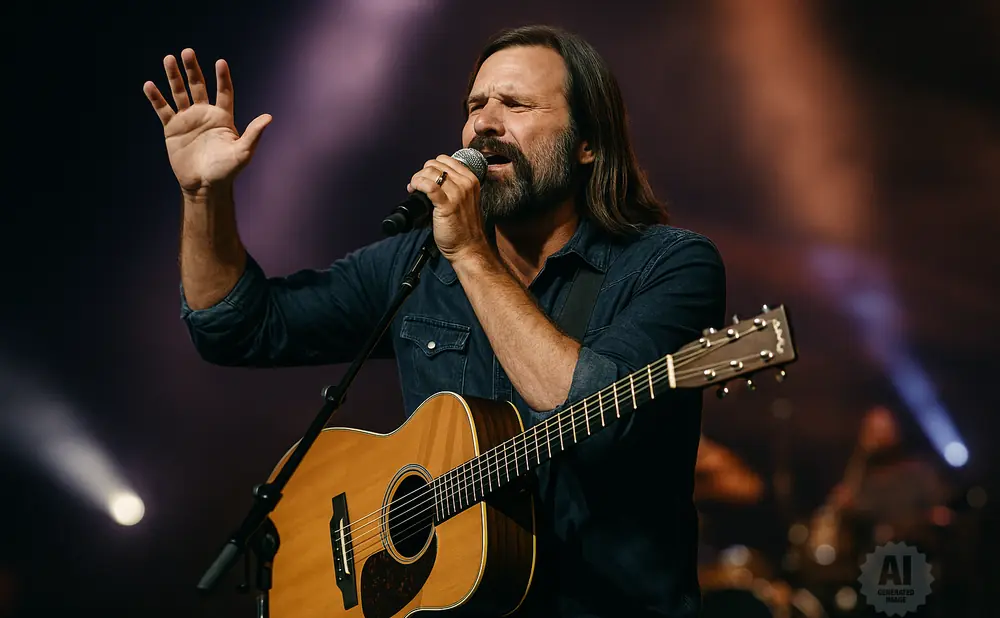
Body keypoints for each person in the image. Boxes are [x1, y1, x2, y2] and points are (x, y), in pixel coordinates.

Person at [144, 25, 726, 618]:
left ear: (588, 142)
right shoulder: (417, 261)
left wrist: (472, 254)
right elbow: (234, 328)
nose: (485, 123)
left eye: (516, 104)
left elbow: (593, 413)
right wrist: (203, 197)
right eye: (476, 106)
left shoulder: (669, 264)